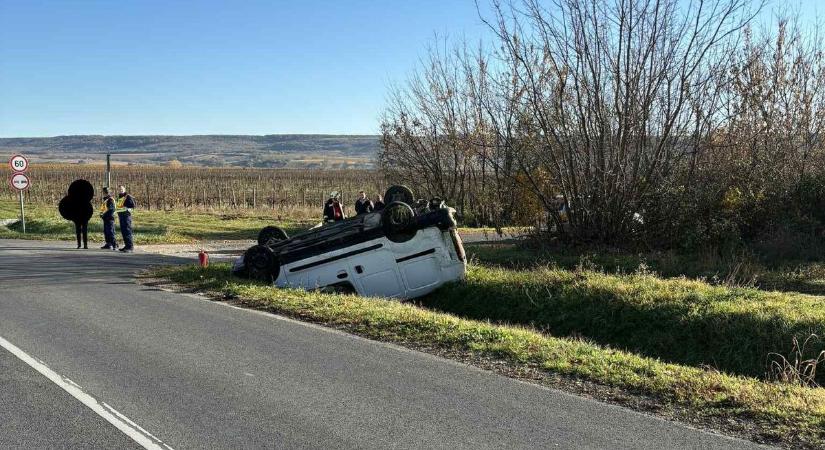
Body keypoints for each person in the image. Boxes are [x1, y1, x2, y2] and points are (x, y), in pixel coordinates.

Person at [115, 185, 136, 252]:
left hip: (126, 216)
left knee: (127, 231)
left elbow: (133, 206)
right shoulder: (119, 197)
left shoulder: (128, 196)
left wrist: (128, 209)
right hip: (121, 216)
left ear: (124, 189)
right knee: (123, 231)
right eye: (119, 189)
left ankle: (130, 247)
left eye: (122, 189)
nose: (120, 190)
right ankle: (126, 246)